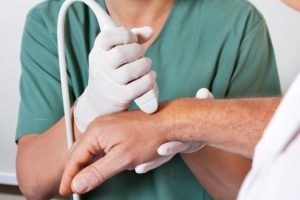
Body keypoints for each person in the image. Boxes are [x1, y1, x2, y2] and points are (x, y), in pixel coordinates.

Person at [16, 0, 280, 200]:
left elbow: (254, 189)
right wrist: (90, 109)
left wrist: (191, 131)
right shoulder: (55, 22)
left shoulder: (237, 22)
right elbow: (33, 184)